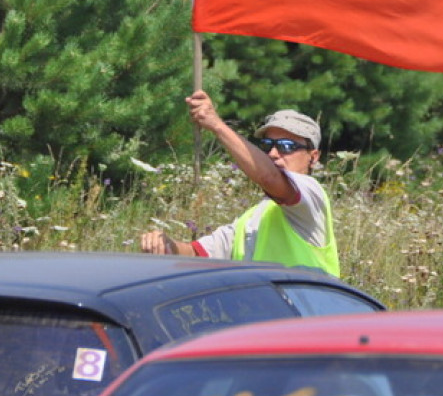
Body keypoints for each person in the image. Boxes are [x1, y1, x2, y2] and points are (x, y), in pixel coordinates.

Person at [139, 90, 339, 276]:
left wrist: (216, 124)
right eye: (267, 145)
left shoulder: (312, 195)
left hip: (308, 313)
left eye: (287, 146)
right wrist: (166, 245)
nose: (273, 154)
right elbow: (196, 253)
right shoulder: (252, 219)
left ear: (313, 157)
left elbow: (270, 178)